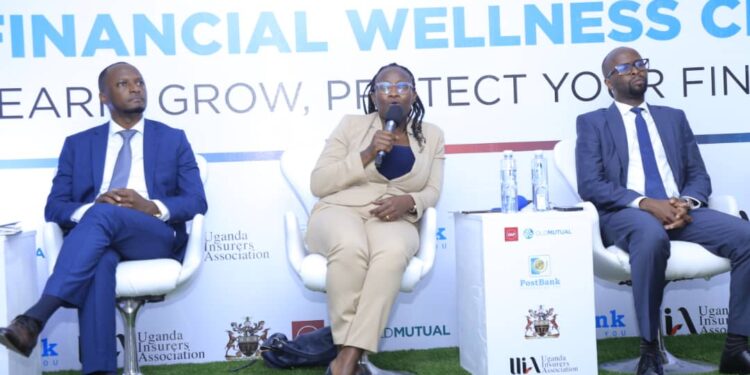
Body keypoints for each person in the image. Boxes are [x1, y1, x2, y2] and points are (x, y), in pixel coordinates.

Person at [0, 62, 208, 375]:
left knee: (102, 219)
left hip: (153, 237)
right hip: (97, 237)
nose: (136, 88)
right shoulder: (78, 144)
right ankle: (99, 370)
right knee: (100, 257)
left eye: (139, 82)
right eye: (124, 84)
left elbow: (196, 201)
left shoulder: (173, 139)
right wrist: (93, 207)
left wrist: (150, 206)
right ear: (103, 97)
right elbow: (54, 207)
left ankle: (35, 318)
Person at [576, 46, 750, 375]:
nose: (637, 70)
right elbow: (591, 185)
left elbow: (698, 175)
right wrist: (645, 203)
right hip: (626, 215)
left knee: (747, 236)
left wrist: (686, 203)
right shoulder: (593, 123)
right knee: (650, 235)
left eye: (640, 63)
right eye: (626, 67)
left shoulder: (673, 117)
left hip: (680, 211)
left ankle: (736, 348)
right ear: (608, 82)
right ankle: (650, 352)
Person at [306, 62, 444, 375]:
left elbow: (433, 190)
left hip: (394, 215)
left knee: (393, 253)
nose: (393, 93)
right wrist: (366, 153)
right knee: (349, 245)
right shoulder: (351, 126)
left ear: (414, 94)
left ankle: (346, 360)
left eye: (402, 86)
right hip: (339, 210)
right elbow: (319, 182)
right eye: (384, 87)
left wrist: (409, 200)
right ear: (373, 95)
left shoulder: (432, 136)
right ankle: (349, 359)